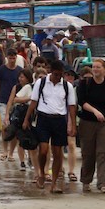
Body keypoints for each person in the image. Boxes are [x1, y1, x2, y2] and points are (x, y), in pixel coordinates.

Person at [23, 58, 77, 193]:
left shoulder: (67, 86)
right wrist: (26, 119)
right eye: (56, 74)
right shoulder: (40, 83)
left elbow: (71, 107)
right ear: (50, 72)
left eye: (61, 75)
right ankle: (42, 172)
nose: (58, 77)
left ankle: (54, 183)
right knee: (43, 150)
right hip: (43, 119)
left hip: (59, 120)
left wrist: (73, 125)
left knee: (58, 153)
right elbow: (33, 102)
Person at [77, 59, 105, 194]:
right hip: (88, 122)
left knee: (104, 153)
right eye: (94, 67)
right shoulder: (85, 84)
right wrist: (95, 111)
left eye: (98, 67)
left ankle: (103, 183)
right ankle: (86, 181)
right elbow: (82, 102)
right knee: (88, 153)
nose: (95, 69)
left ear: (104, 69)